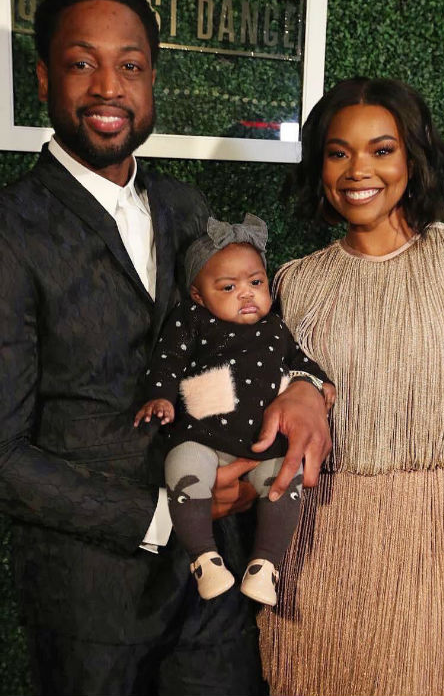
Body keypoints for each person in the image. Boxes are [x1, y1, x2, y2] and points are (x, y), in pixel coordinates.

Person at [0, 0, 331, 696]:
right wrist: (160, 514)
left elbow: (250, 330)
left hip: (215, 603)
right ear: (45, 76)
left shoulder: (189, 210)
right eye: (83, 63)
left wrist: (304, 387)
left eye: (131, 65)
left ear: (152, 80)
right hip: (90, 606)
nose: (108, 87)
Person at [257, 77, 444, 696]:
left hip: (431, 544)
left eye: (381, 149)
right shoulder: (297, 285)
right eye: (338, 152)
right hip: (314, 549)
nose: (358, 170)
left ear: (413, 157)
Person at [135, 214, 334, 606]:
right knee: (183, 469)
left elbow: (301, 364)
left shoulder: (276, 329)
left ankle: (266, 565)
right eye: (228, 287)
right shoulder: (192, 320)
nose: (246, 294)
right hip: (202, 436)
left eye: (256, 283)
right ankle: (204, 559)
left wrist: (315, 384)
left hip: (262, 444)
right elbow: (166, 361)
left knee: (284, 481)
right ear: (198, 295)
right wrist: (159, 397)